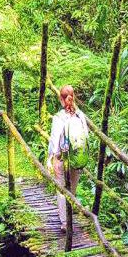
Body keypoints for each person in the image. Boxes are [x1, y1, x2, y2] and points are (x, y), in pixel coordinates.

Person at [47, 85, 90, 232]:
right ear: (73, 97)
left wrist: (50, 158)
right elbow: (86, 136)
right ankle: (70, 218)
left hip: (61, 159)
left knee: (61, 190)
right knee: (72, 190)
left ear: (61, 98)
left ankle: (65, 222)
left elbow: (54, 141)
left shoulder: (58, 118)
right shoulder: (80, 115)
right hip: (76, 158)